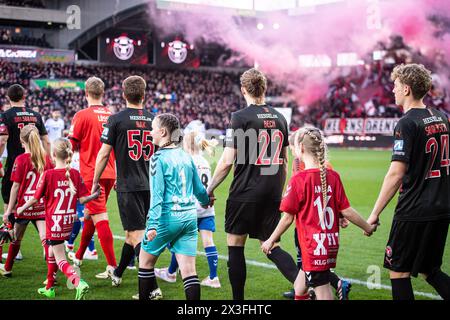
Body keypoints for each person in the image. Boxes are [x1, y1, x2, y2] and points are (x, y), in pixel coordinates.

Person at [207, 68, 298, 300]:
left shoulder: (240, 117)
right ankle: (310, 288)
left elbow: (227, 161)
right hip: (272, 192)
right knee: (271, 245)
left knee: (236, 245)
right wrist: (279, 191)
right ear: (264, 89)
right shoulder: (280, 118)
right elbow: (285, 161)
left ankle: (238, 303)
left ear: (243, 90)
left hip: (245, 191)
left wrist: (209, 189)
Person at [261, 127, 376, 300]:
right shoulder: (333, 176)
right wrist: (367, 227)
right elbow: (347, 211)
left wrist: (270, 240)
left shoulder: (299, 180)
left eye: (293, 148)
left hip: (313, 247)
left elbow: (287, 218)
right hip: (328, 243)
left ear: (300, 148)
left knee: (323, 293)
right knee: (300, 288)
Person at [367, 63, 450, 300]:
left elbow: (396, 173)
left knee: (399, 272)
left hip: (414, 209)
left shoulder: (407, 123)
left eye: (395, 86)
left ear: (406, 89)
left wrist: (374, 213)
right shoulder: (441, 117)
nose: (392, 90)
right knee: (429, 269)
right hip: (441, 207)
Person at [139, 113, 212, 301]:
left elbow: (156, 195)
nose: (151, 132)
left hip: (166, 218)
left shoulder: (158, 158)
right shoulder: (186, 156)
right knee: (189, 271)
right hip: (189, 218)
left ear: (162, 132)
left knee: (145, 263)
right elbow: (199, 189)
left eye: (153, 129)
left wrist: (153, 225)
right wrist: (205, 200)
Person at [17, 138, 99, 299]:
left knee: (60, 259)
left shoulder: (49, 174)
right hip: (69, 221)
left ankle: (78, 282)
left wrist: (21, 208)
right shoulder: (75, 174)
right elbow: (82, 200)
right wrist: (95, 195)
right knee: (51, 252)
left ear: (53, 155)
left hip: (54, 223)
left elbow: (34, 198)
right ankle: (49, 287)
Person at [93, 75, 155, 287]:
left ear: (123, 94)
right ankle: (118, 273)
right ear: (144, 95)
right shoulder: (154, 119)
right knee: (132, 232)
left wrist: (95, 182)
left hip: (128, 185)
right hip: (152, 186)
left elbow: (103, 155)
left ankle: (152, 286)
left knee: (136, 234)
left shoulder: (116, 119)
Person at [283, 130, 352, 300]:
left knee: (315, 274)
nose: (292, 152)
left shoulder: (309, 170)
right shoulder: (316, 169)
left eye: (292, 148)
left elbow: (323, 195)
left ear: (299, 147)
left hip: (311, 230)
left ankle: (335, 283)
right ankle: (310, 287)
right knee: (303, 281)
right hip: (320, 231)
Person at [155, 130, 221, 288]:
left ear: (184, 143)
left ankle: (171, 273)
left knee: (178, 240)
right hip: (206, 207)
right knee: (208, 241)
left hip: (189, 207)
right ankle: (214, 277)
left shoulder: (185, 160)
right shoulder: (205, 161)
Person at [67, 77, 117, 278]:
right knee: (91, 215)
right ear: (102, 93)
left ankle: (114, 268)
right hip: (111, 172)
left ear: (86, 93)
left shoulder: (82, 115)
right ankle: (78, 256)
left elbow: (72, 146)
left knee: (100, 218)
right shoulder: (112, 115)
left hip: (91, 174)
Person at [0, 125, 53, 277]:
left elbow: (15, 187)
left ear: (22, 140)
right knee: (45, 240)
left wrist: (8, 210)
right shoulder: (46, 159)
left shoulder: (21, 159)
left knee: (16, 239)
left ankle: (8, 268)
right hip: (41, 206)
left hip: (24, 207)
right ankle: (52, 275)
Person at [0, 84, 50, 219]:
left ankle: (10, 230)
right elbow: (46, 141)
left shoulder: (5, 116)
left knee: (9, 201)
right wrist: (50, 161)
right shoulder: (36, 115)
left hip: (15, 164)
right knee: (36, 199)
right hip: (36, 164)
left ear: (7, 97)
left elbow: (2, 141)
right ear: (24, 97)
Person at [64, 150, 98, 260]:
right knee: (78, 217)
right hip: (86, 188)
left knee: (84, 219)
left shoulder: (72, 157)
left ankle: (92, 250)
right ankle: (70, 243)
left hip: (78, 190)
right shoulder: (87, 153)